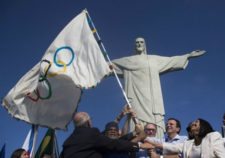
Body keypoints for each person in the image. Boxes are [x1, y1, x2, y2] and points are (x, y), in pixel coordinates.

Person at [111, 37, 205, 138]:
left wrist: (188, 55)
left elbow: (171, 61)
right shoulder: (128, 61)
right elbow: (109, 64)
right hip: (135, 97)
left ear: (144, 45)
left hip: (152, 99)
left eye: (141, 42)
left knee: (153, 120)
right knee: (134, 117)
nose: (139, 44)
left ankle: (155, 143)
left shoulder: (153, 59)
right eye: (137, 42)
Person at [60, 111, 152, 158]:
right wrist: (139, 143)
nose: (113, 132)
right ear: (88, 122)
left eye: (115, 130)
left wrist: (123, 116)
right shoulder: (92, 134)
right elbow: (114, 144)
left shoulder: (67, 143)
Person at [147, 118, 225, 158]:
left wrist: (159, 157)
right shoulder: (188, 143)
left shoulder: (213, 136)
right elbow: (171, 147)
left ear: (203, 126)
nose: (193, 123)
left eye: (197, 122)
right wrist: (145, 138)